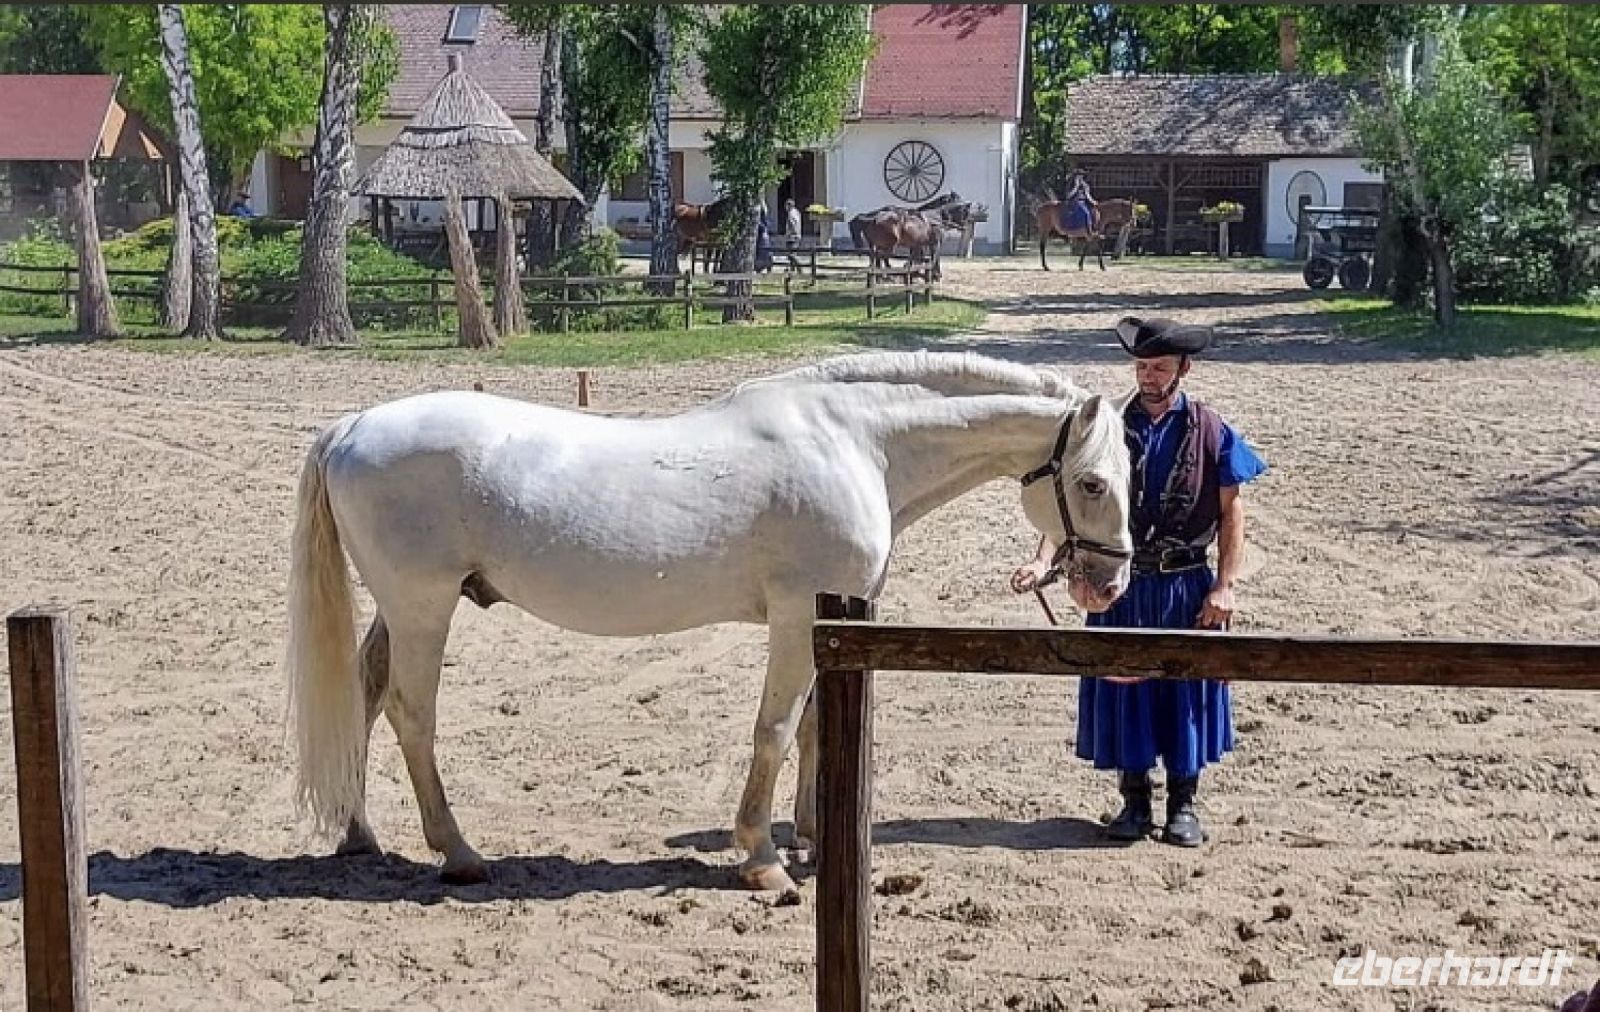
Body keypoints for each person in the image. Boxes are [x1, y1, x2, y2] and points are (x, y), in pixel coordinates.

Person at [1011, 316, 1267, 847]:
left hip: (1186, 586)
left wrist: (1225, 586)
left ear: (1183, 369)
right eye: (1142, 367)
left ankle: (1183, 805)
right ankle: (1133, 803)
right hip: (1121, 583)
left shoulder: (1212, 430)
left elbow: (1232, 513)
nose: (1149, 377)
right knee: (1126, 693)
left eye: (1160, 368)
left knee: (1185, 694)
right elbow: (1075, 506)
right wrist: (1042, 561)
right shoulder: (1106, 428)